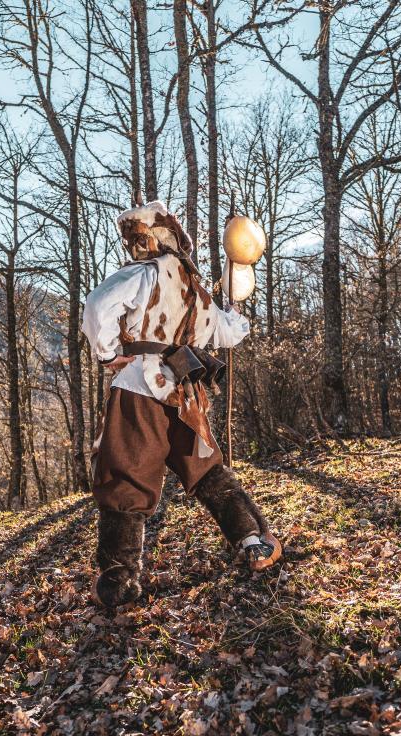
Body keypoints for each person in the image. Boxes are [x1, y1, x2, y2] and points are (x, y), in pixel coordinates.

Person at [81, 197, 282, 609]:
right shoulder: (195, 290)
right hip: (185, 393)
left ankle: (119, 580)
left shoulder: (141, 274)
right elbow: (229, 332)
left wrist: (106, 353)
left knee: (126, 482)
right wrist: (233, 309)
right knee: (208, 473)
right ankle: (252, 540)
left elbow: (98, 306)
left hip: (138, 388)